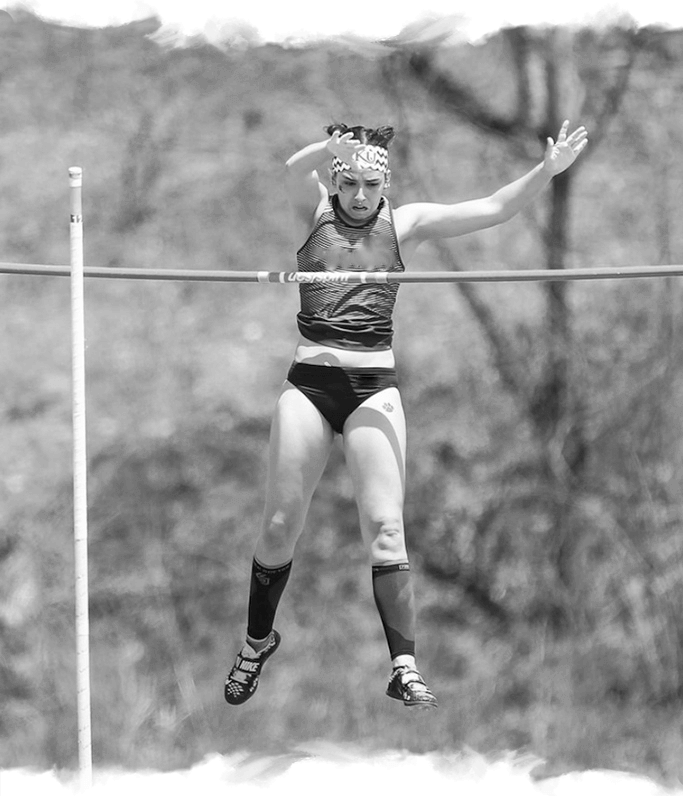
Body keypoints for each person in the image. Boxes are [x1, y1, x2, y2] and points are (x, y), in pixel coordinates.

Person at [224, 119, 588, 709]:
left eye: (370, 184)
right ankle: (256, 643)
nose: (360, 196)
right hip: (310, 386)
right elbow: (289, 172)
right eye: (349, 184)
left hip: (372, 387)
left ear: (384, 184)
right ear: (337, 184)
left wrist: (546, 171)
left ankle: (404, 667)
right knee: (277, 526)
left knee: (387, 529)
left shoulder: (407, 222)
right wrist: (325, 150)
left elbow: (493, 208)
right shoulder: (316, 213)